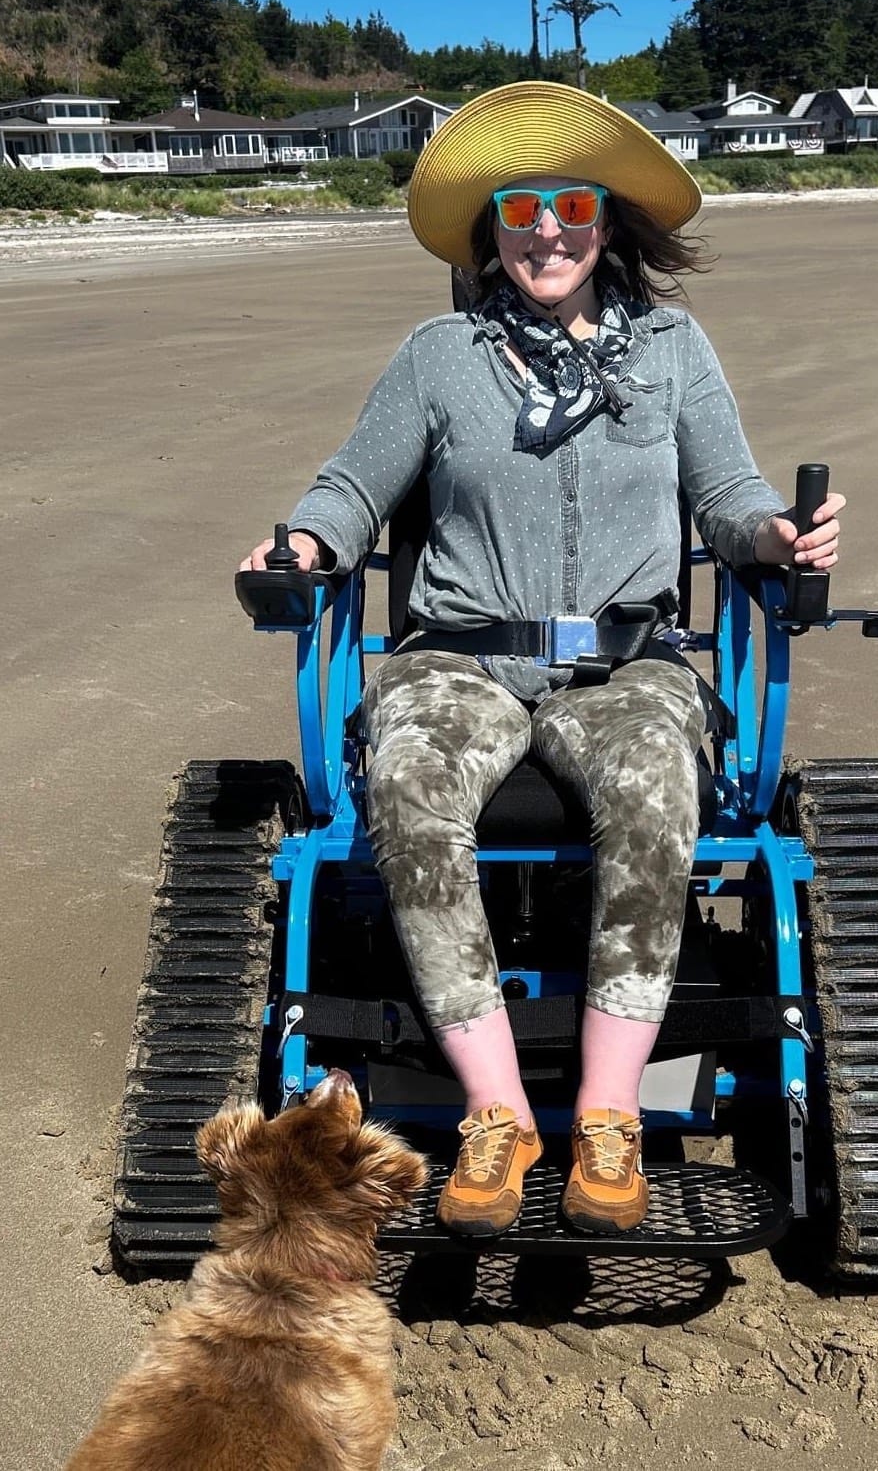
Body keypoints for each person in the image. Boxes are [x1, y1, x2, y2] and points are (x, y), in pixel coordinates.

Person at [239, 82, 843, 1238]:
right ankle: (500, 1119)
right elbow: (354, 488)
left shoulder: (671, 351)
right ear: (491, 234)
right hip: (457, 662)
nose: (546, 233)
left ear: (606, 220)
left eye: (570, 205)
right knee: (407, 787)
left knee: (657, 787)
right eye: (520, 213)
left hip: (627, 666)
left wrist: (776, 536)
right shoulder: (437, 356)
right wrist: (303, 540)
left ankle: (607, 1121)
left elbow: (725, 496)